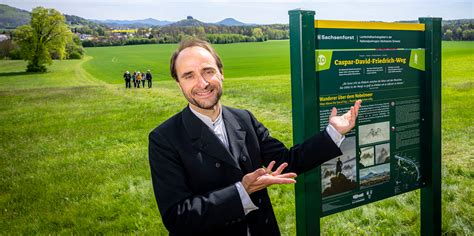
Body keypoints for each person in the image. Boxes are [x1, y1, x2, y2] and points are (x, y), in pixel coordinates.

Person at [148, 39, 362, 235]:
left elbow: (287, 161)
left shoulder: (244, 119)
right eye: (189, 75)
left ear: (221, 72)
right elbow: (178, 217)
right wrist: (242, 191)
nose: (202, 83)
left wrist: (333, 132)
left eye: (208, 71)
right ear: (178, 83)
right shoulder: (164, 139)